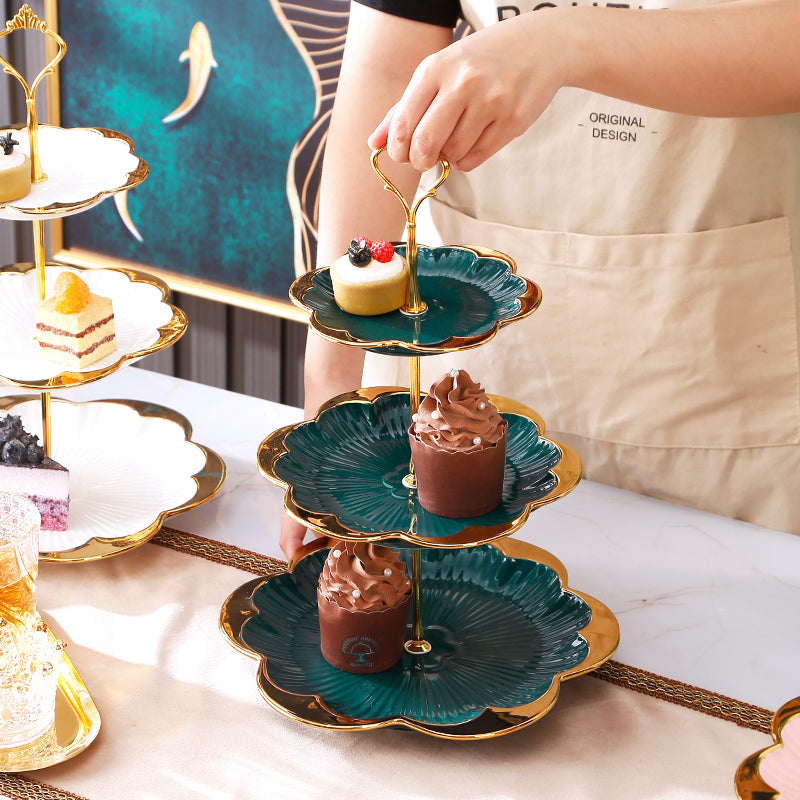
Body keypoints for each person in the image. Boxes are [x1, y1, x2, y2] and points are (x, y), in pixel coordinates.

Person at [280, 0, 800, 558]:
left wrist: (568, 40)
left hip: (719, 348)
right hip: (468, 344)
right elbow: (384, 70)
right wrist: (331, 394)